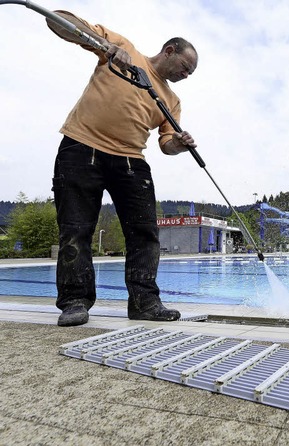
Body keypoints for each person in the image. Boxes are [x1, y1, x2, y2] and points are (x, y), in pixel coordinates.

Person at [46, 10, 198, 326]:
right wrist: (103, 44)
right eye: (185, 68)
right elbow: (57, 20)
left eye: (190, 73)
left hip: (131, 162)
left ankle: (144, 303)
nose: (186, 75)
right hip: (80, 148)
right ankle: (75, 302)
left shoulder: (171, 100)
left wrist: (179, 145)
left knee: (145, 233)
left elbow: (167, 144)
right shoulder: (122, 48)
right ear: (169, 51)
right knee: (76, 227)